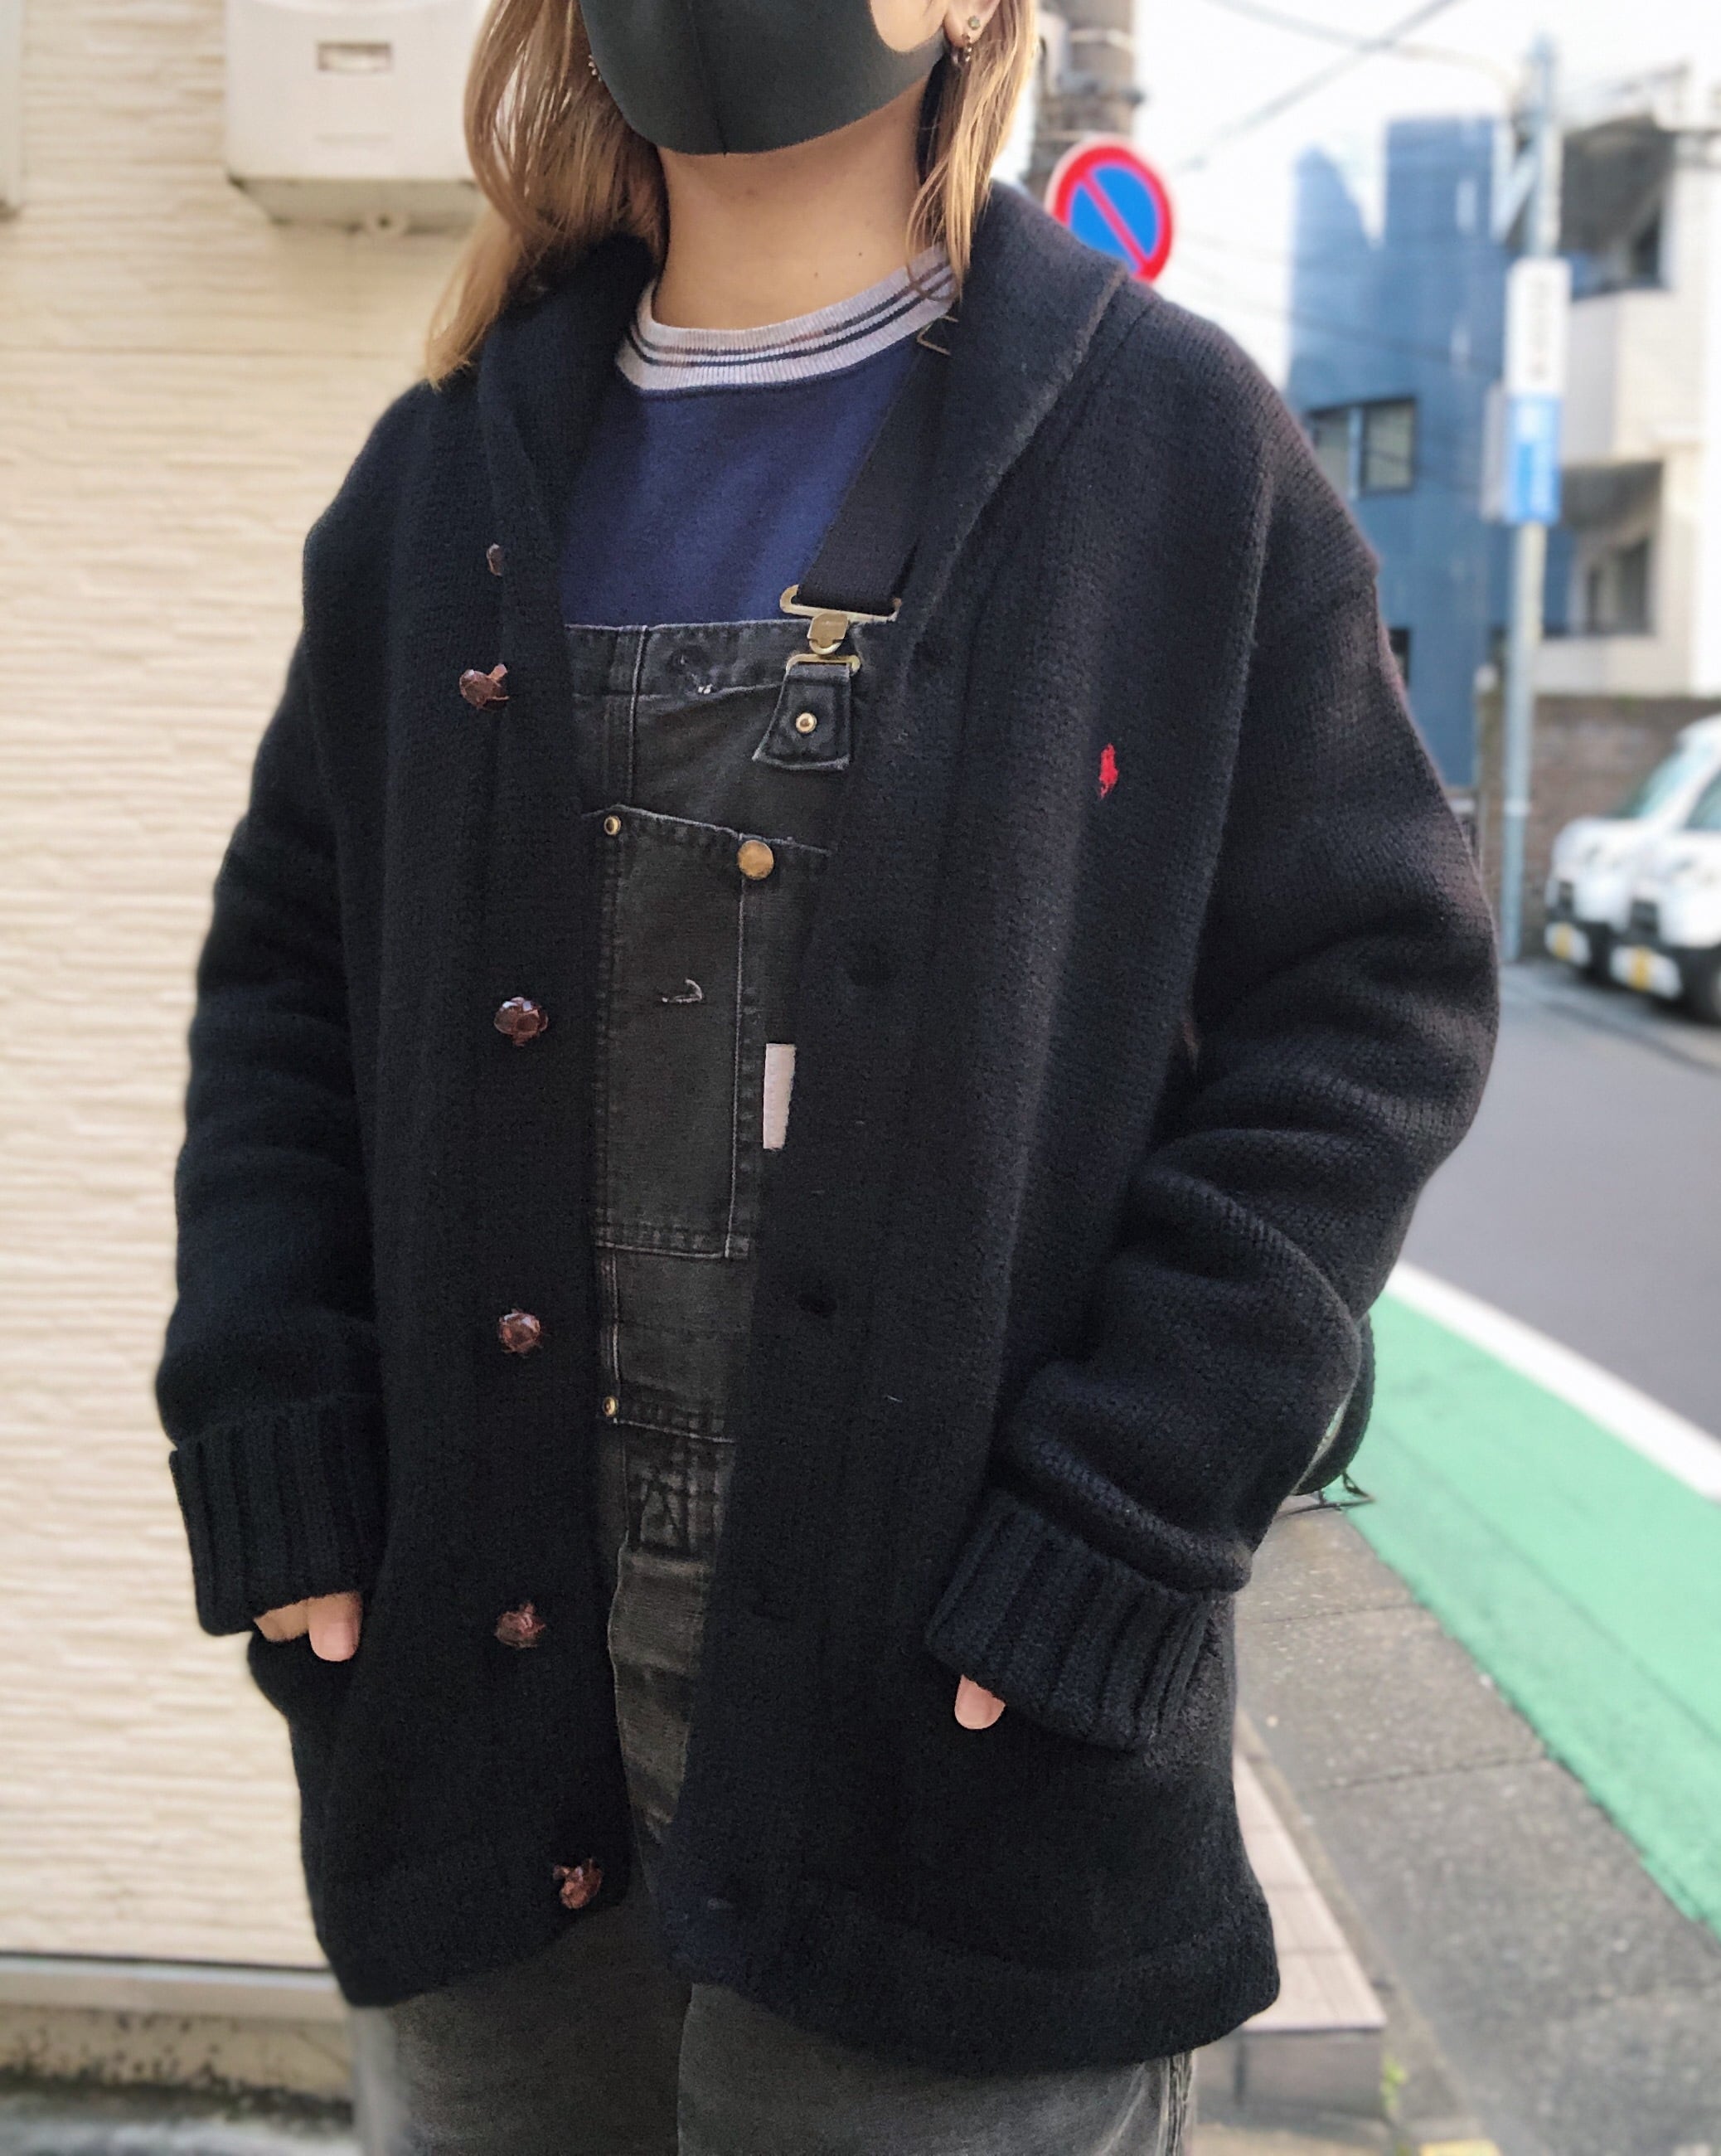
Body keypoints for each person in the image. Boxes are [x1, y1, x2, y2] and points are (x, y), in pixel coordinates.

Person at [153, 1, 1499, 2149]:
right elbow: (291, 981)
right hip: (483, 1709)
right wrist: (276, 1421)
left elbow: (1375, 990)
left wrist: (1129, 1514)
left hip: (958, 1734)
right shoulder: (440, 482)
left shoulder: (1163, 450)